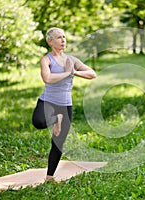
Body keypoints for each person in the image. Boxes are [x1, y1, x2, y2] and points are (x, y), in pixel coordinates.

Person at [32, 27, 96, 181]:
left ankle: (49, 176)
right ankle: (56, 119)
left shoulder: (71, 60)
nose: (63, 40)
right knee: (39, 122)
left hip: (65, 106)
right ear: (50, 41)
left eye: (64, 37)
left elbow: (92, 73)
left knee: (58, 143)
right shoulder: (46, 60)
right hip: (47, 101)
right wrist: (66, 73)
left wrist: (75, 72)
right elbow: (47, 78)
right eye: (59, 38)